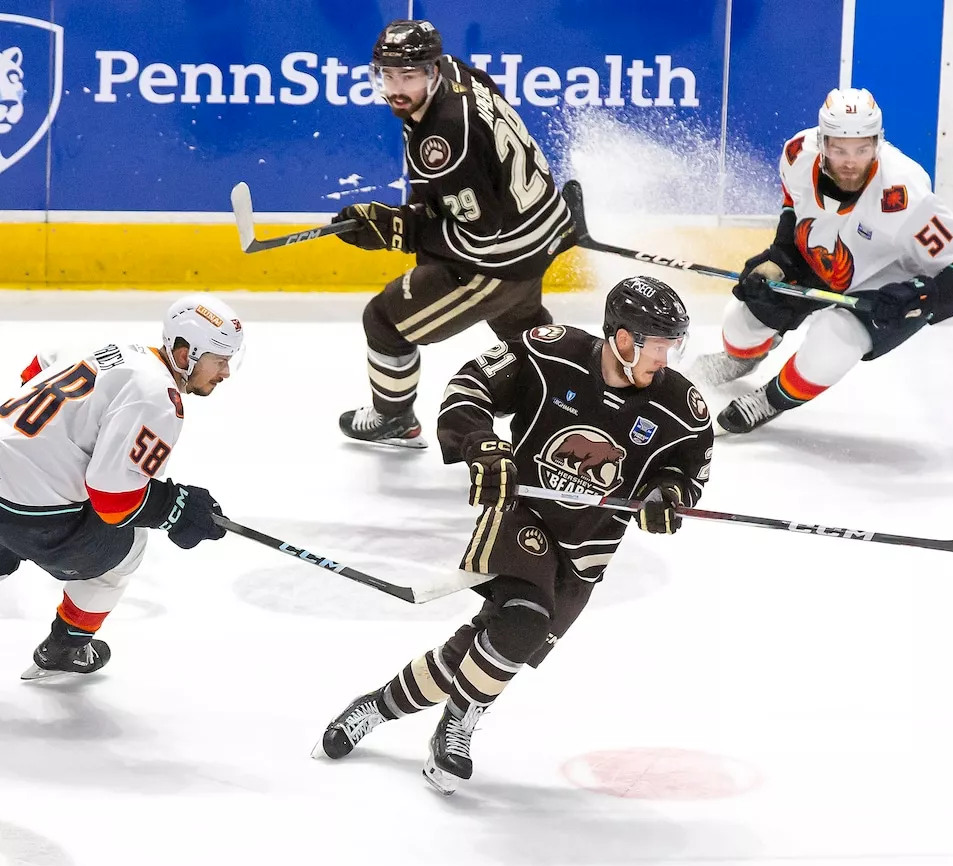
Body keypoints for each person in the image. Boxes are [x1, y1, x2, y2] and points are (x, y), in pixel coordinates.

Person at [316, 276, 714, 795]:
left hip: (585, 553)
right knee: (521, 624)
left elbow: (687, 474)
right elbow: (468, 387)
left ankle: (375, 706)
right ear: (621, 337)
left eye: (671, 345)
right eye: (656, 344)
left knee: (483, 649)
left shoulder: (681, 408)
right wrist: (480, 444)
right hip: (521, 515)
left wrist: (669, 498)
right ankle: (453, 732)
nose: (665, 356)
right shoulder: (553, 353)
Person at [331, 19, 576, 449]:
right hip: (539, 227)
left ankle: (394, 419)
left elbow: (479, 236)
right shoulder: (460, 74)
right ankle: (562, 409)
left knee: (384, 320)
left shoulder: (442, 138)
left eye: (407, 76)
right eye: (387, 75)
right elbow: (490, 171)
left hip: (500, 259)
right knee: (524, 337)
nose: (396, 88)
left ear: (431, 71)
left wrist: (402, 230)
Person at [690, 88, 953, 434]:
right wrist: (781, 255)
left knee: (831, 343)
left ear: (878, 143)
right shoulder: (797, 154)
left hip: (885, 283)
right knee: (740, 325)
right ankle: (739, 361)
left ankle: (770, 400)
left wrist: (916, 297)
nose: (851, 161)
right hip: (823, 254)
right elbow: (794, 199)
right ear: (822, 143)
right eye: (839, 149)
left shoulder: (903, 194)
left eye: (862, 149)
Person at [0, 294, 242, 678]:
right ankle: (69, 645)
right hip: (30, 516)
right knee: (129, 543)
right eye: (221, 360)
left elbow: (38, 366)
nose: (226, 372)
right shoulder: (158, 399)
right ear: (184, 354)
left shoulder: (111, 350)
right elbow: (114, 501)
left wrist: (47, 443)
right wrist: (176, 508)